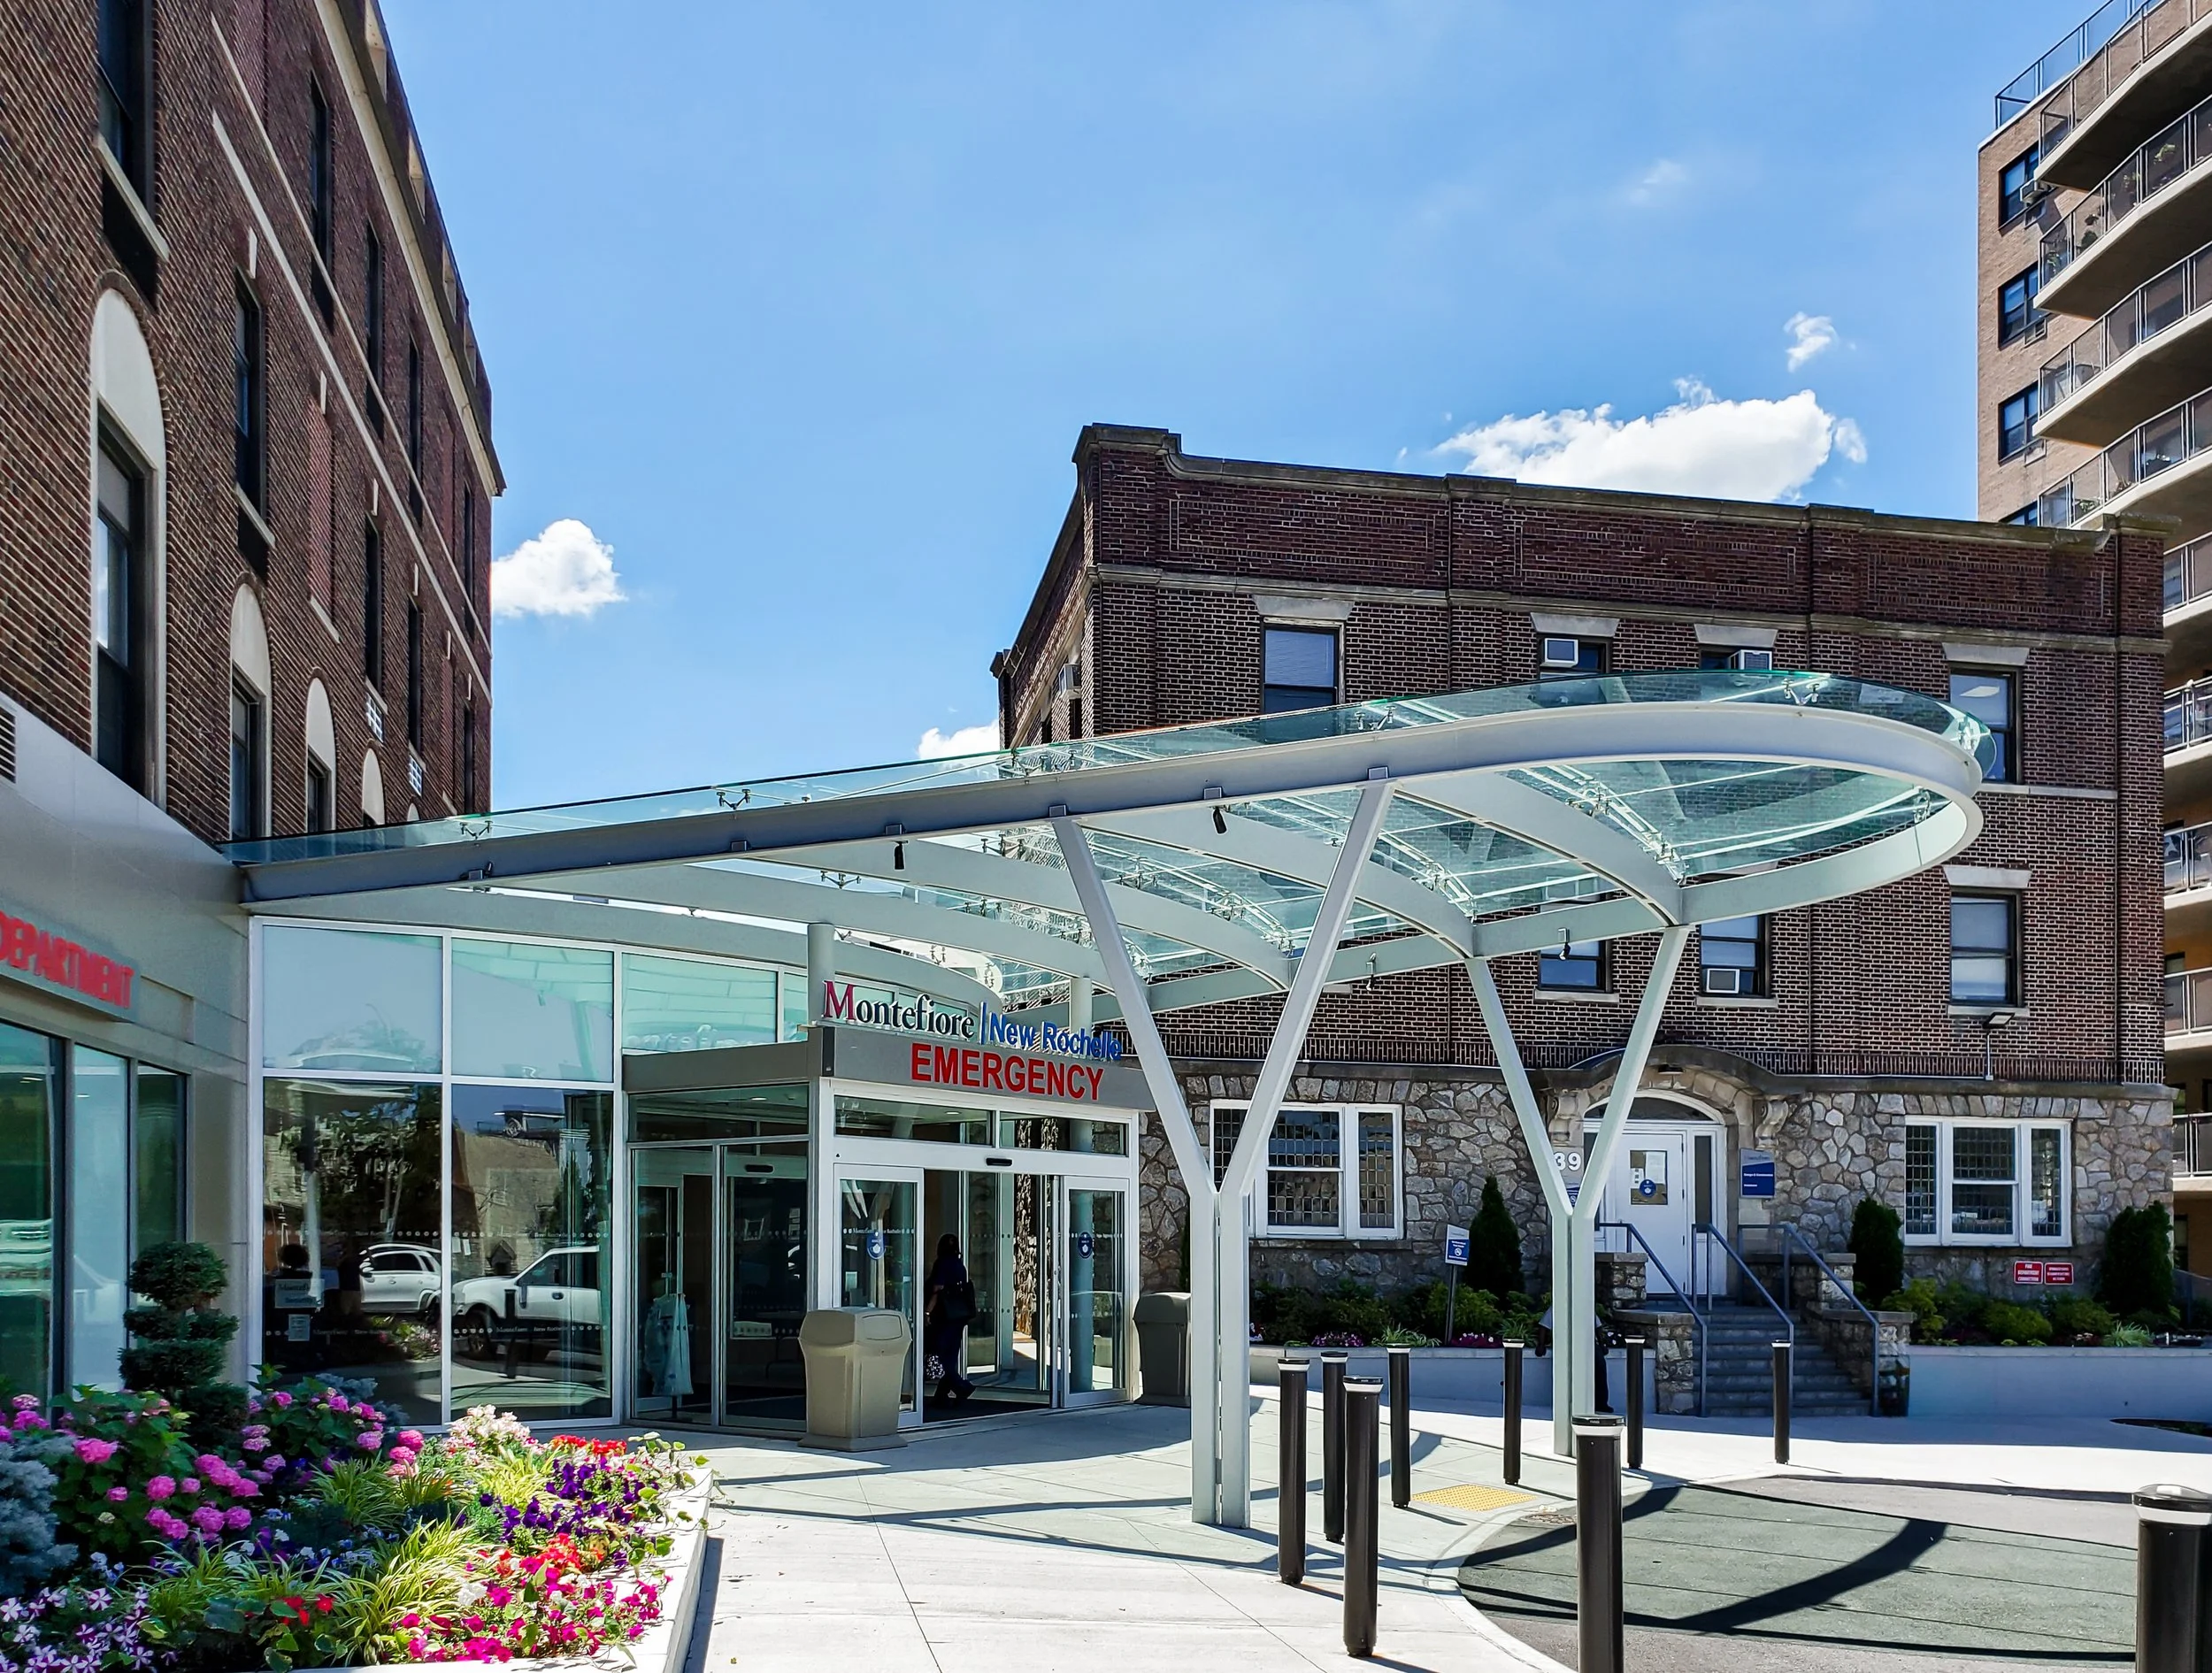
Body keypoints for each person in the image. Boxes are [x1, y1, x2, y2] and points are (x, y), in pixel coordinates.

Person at [925, 1233, 976, 1405]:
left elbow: (937, 1289)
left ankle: (962, 1386)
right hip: (959, 1315)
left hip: (944, 1316)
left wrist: (927, 1312)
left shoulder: (942, 1263)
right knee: (951, 1355)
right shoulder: (959, 1265)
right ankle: (941, 1395)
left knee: (940, 1355)